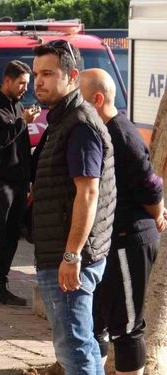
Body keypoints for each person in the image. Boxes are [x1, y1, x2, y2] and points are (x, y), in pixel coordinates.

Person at [31, 40, 116, 375]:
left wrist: (71, 255)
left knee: (74, 349)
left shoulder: (79, 123)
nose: (39, 81)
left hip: (70, 258)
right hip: (61, 252)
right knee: (81, 346)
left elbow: (88, 193)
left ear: (72, 76)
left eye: (48, 74)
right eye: (37, 73)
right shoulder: (63, 121)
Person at [79, 68, 166, 375]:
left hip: (129, 241)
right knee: (95, 322)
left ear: (97, 99)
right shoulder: (93, 133)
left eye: (81, 99)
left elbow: (150, 184)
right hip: (105, 243)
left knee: (127, 329)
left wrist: (157, 213)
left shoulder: (122, 134)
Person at [0, 60, 39, 306]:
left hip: (19, 183)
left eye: (27, 84)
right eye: (21, 83)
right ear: (7, 81)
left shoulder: (18, 106)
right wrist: (22, 122)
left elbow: (21, 148)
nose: (25, 88)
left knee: (12, 236)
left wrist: (29, 179)